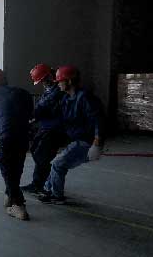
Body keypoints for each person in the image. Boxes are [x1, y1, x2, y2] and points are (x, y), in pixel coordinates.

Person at [39, 65, 102, 204]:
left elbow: (98, 120)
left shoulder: (85, 97)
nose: (57, 84)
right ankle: (48, 189)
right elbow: (62, 119)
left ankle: (56, 196)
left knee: (57, 163)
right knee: (58, 163)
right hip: (77, 140)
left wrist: (96, 144)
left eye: (60, 81)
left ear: (69, 81)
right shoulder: (67, 99)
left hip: (86, 142)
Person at [0, 69, 33, 220]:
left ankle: (18, 206)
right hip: (23, 137)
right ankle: (9, 195)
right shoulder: (23, 93)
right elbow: (30, 113)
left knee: (8, 172)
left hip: (5, 138)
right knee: (17, 169)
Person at [21, 64, 65, 194]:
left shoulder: (57, 91)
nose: (43, 83)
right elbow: (41, 105)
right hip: (45, 126)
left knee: (42, 156)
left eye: (44, 80)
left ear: (50, 76)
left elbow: (42, 107)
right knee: (35, 150)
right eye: (41, 81)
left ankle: (40, 184)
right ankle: (43, 182)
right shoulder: (50, 89)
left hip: (54, 129)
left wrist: (28, 116)